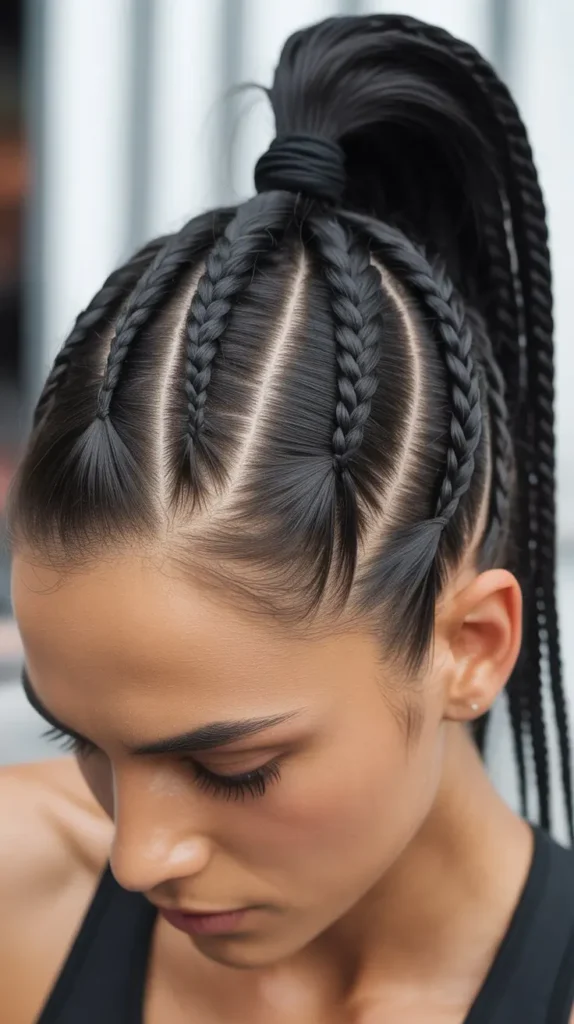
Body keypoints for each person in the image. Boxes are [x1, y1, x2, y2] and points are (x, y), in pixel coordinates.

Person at [1, 13, 573, 1023]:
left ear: (469, 646)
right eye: (80, 738)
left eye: (233, 769)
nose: (140, 855)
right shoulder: (19, 891)